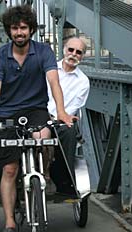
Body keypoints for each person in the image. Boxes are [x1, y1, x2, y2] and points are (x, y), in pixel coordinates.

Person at [0, 5, 75, 232]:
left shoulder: (43, 51)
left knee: (43, 137)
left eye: (23, 27)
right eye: (15, 28)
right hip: (8, 113)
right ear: (9, 31)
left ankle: (43, 175)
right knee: (10, 169)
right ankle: (10, 223)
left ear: (31, 29)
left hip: (36, 111)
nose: (19, 32)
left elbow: (54, 82)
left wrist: (62, 111)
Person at [47, 37, 90, 173]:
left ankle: (66, 179)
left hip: (61, 120)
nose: (73, 54)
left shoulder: (83, 82)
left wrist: (58, 118)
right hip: (41, 115)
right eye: (71, 50)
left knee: (69, 131)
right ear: (64, 50)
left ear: (82, 56)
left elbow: (73, 108)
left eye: (78, 52)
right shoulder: (49, 69)